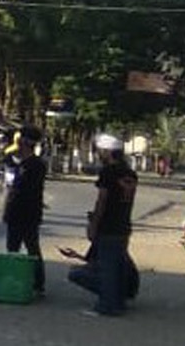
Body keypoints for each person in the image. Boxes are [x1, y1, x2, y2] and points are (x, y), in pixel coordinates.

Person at [69, 133, 137, 317]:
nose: (99, 154)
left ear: (107, 152)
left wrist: (94, 224)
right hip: (123, 225)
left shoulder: (108, 173)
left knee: (107, 268)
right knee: (117, 266)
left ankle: (107, 305)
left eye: (100, 151)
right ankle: (118, 302)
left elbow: (102, 201)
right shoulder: (130, 173)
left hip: (108, 226)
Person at [3, 125, 47, 297]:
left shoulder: (34, 165)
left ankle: (37, 283)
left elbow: (21, 190)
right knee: (13, 247)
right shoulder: (22, 164)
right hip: (18, 211)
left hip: (27, 212)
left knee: (31, 248)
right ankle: (13, 278)